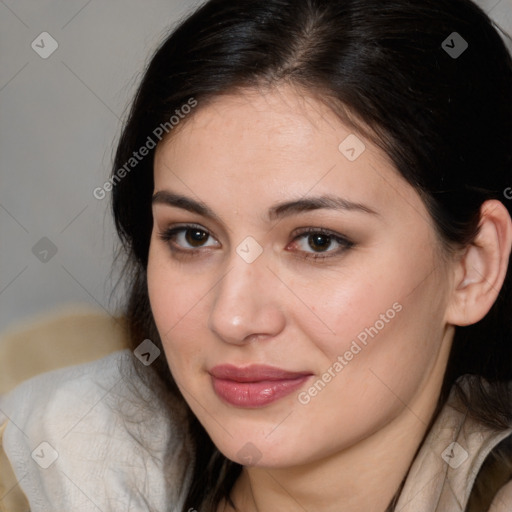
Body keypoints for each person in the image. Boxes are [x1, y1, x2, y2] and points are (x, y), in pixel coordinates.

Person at [1, 0, 512, 510]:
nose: (232, 317)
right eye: (193, 236)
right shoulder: (59, 463)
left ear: (473, 266)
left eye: (318, 241)